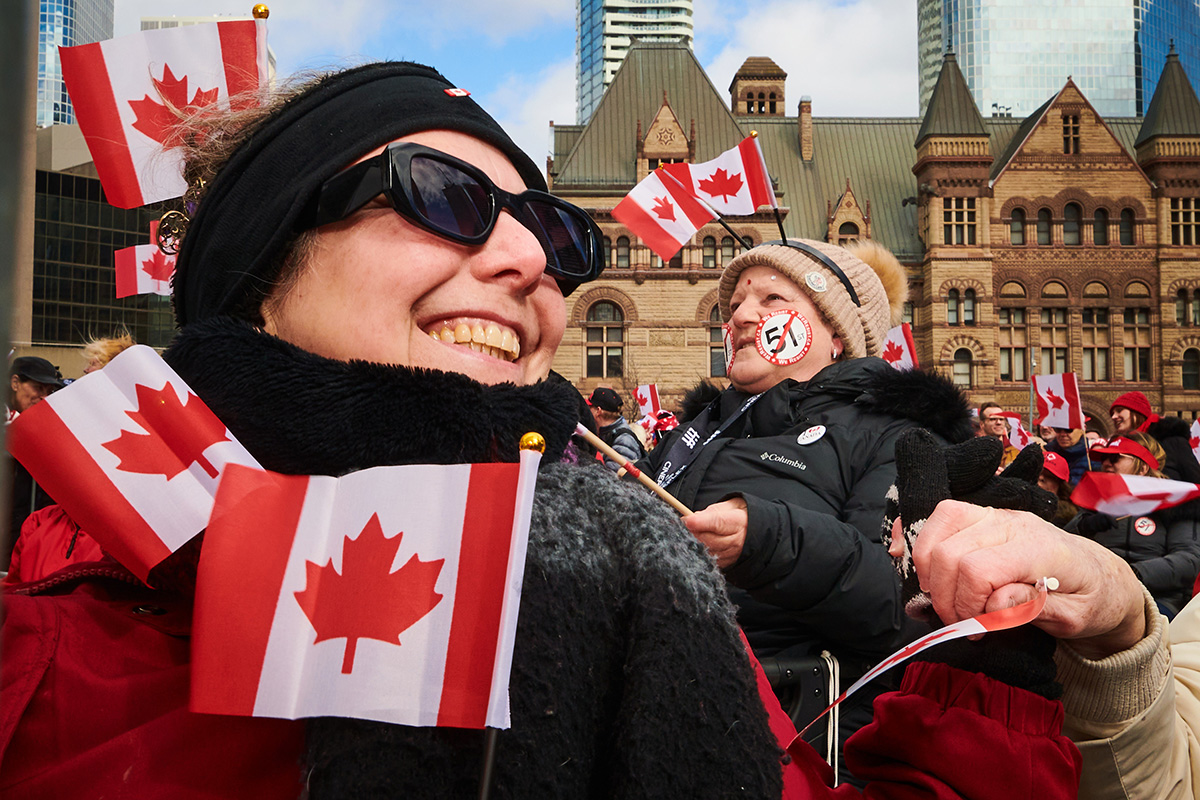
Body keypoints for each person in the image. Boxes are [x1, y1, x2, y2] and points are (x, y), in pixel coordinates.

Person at [0, 63, 784, 799]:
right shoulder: (41, 641)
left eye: (553, 235)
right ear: (263, 274)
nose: (528, 260)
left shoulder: (652, 578)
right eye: (442, 195)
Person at [638, 237, 977, 780]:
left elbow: (902, 603)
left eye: (771, 300)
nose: (743, 316)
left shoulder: (897, 437)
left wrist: (771, 540)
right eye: (735, 307)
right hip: (649, 707)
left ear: (838, 334)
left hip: (789, 739)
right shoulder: (695, 431)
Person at [1070, 433, 1200, 618]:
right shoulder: (1097, 503)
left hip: (1158, 600)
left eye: (1114, 458)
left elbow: (1189, 560)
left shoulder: (1177, 503)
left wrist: (1134, 574)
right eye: (1104, 458)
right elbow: (1061, 546)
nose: (1106, 464)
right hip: (1098, 594)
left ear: (1142, 468)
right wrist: (1083, 526)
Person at [1110, 391, 1200, 484]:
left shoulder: (1173, 442)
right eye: (1112, 413)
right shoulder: (1118, 447)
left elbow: (1195, 481)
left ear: (1136, 412)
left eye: (1119, 410)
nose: (1113, 416)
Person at [587, 386, 644, 468]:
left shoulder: (624, 440)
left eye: (590, 407)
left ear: (598, 411)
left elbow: (614, 477)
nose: (587, 411)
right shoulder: (607, 435)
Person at [1039, 450, 1078, 528]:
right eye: (1037, 473)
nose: (1040, 478)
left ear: (1061, 485)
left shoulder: (1068, 520)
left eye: (1049, 476)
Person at [979, 401, 1020, 467]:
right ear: (982, 424)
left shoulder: (1016, 450)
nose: (998, 422)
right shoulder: (975, 451)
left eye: (1001, 419)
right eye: (993, 419)